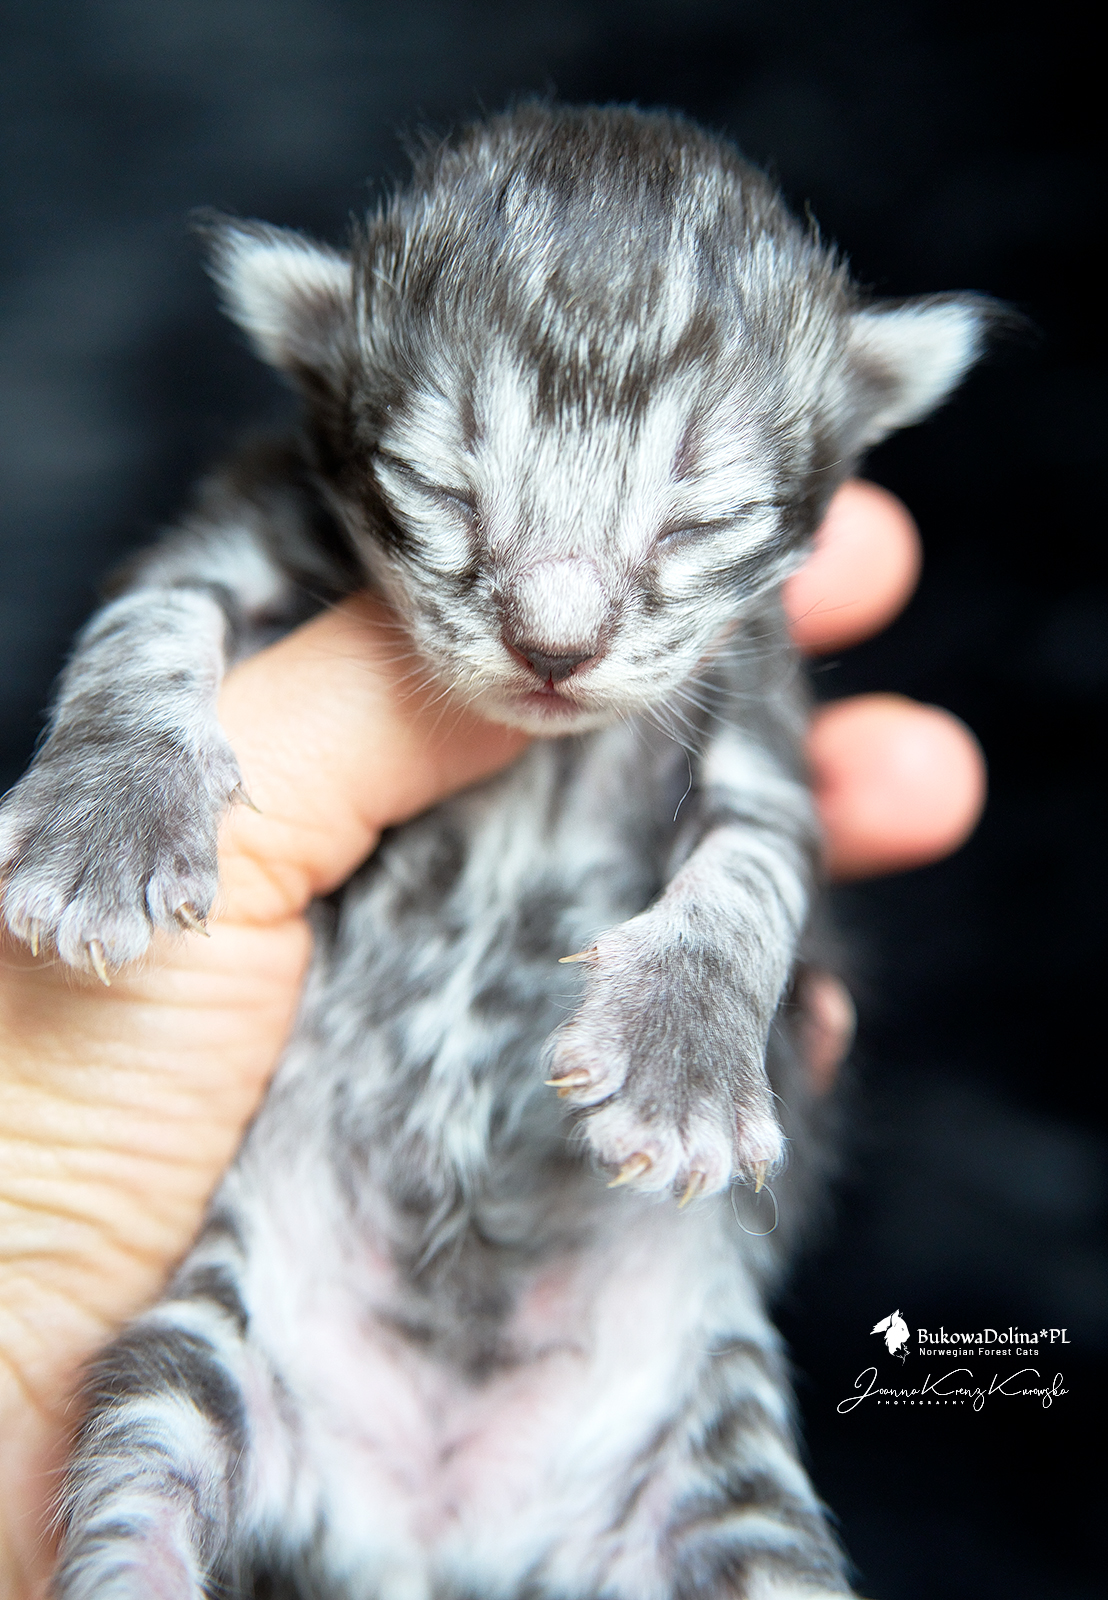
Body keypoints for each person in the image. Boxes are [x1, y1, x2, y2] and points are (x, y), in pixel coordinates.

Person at [0, 479, 985, 1597]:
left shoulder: (728, 612)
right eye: (446, 485)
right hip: (282, 1307)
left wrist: (717, 975)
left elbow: (764, 826)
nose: (559, 618)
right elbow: (192, 583)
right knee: (139, 1510)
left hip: (607, 1363)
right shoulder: (327, 519)